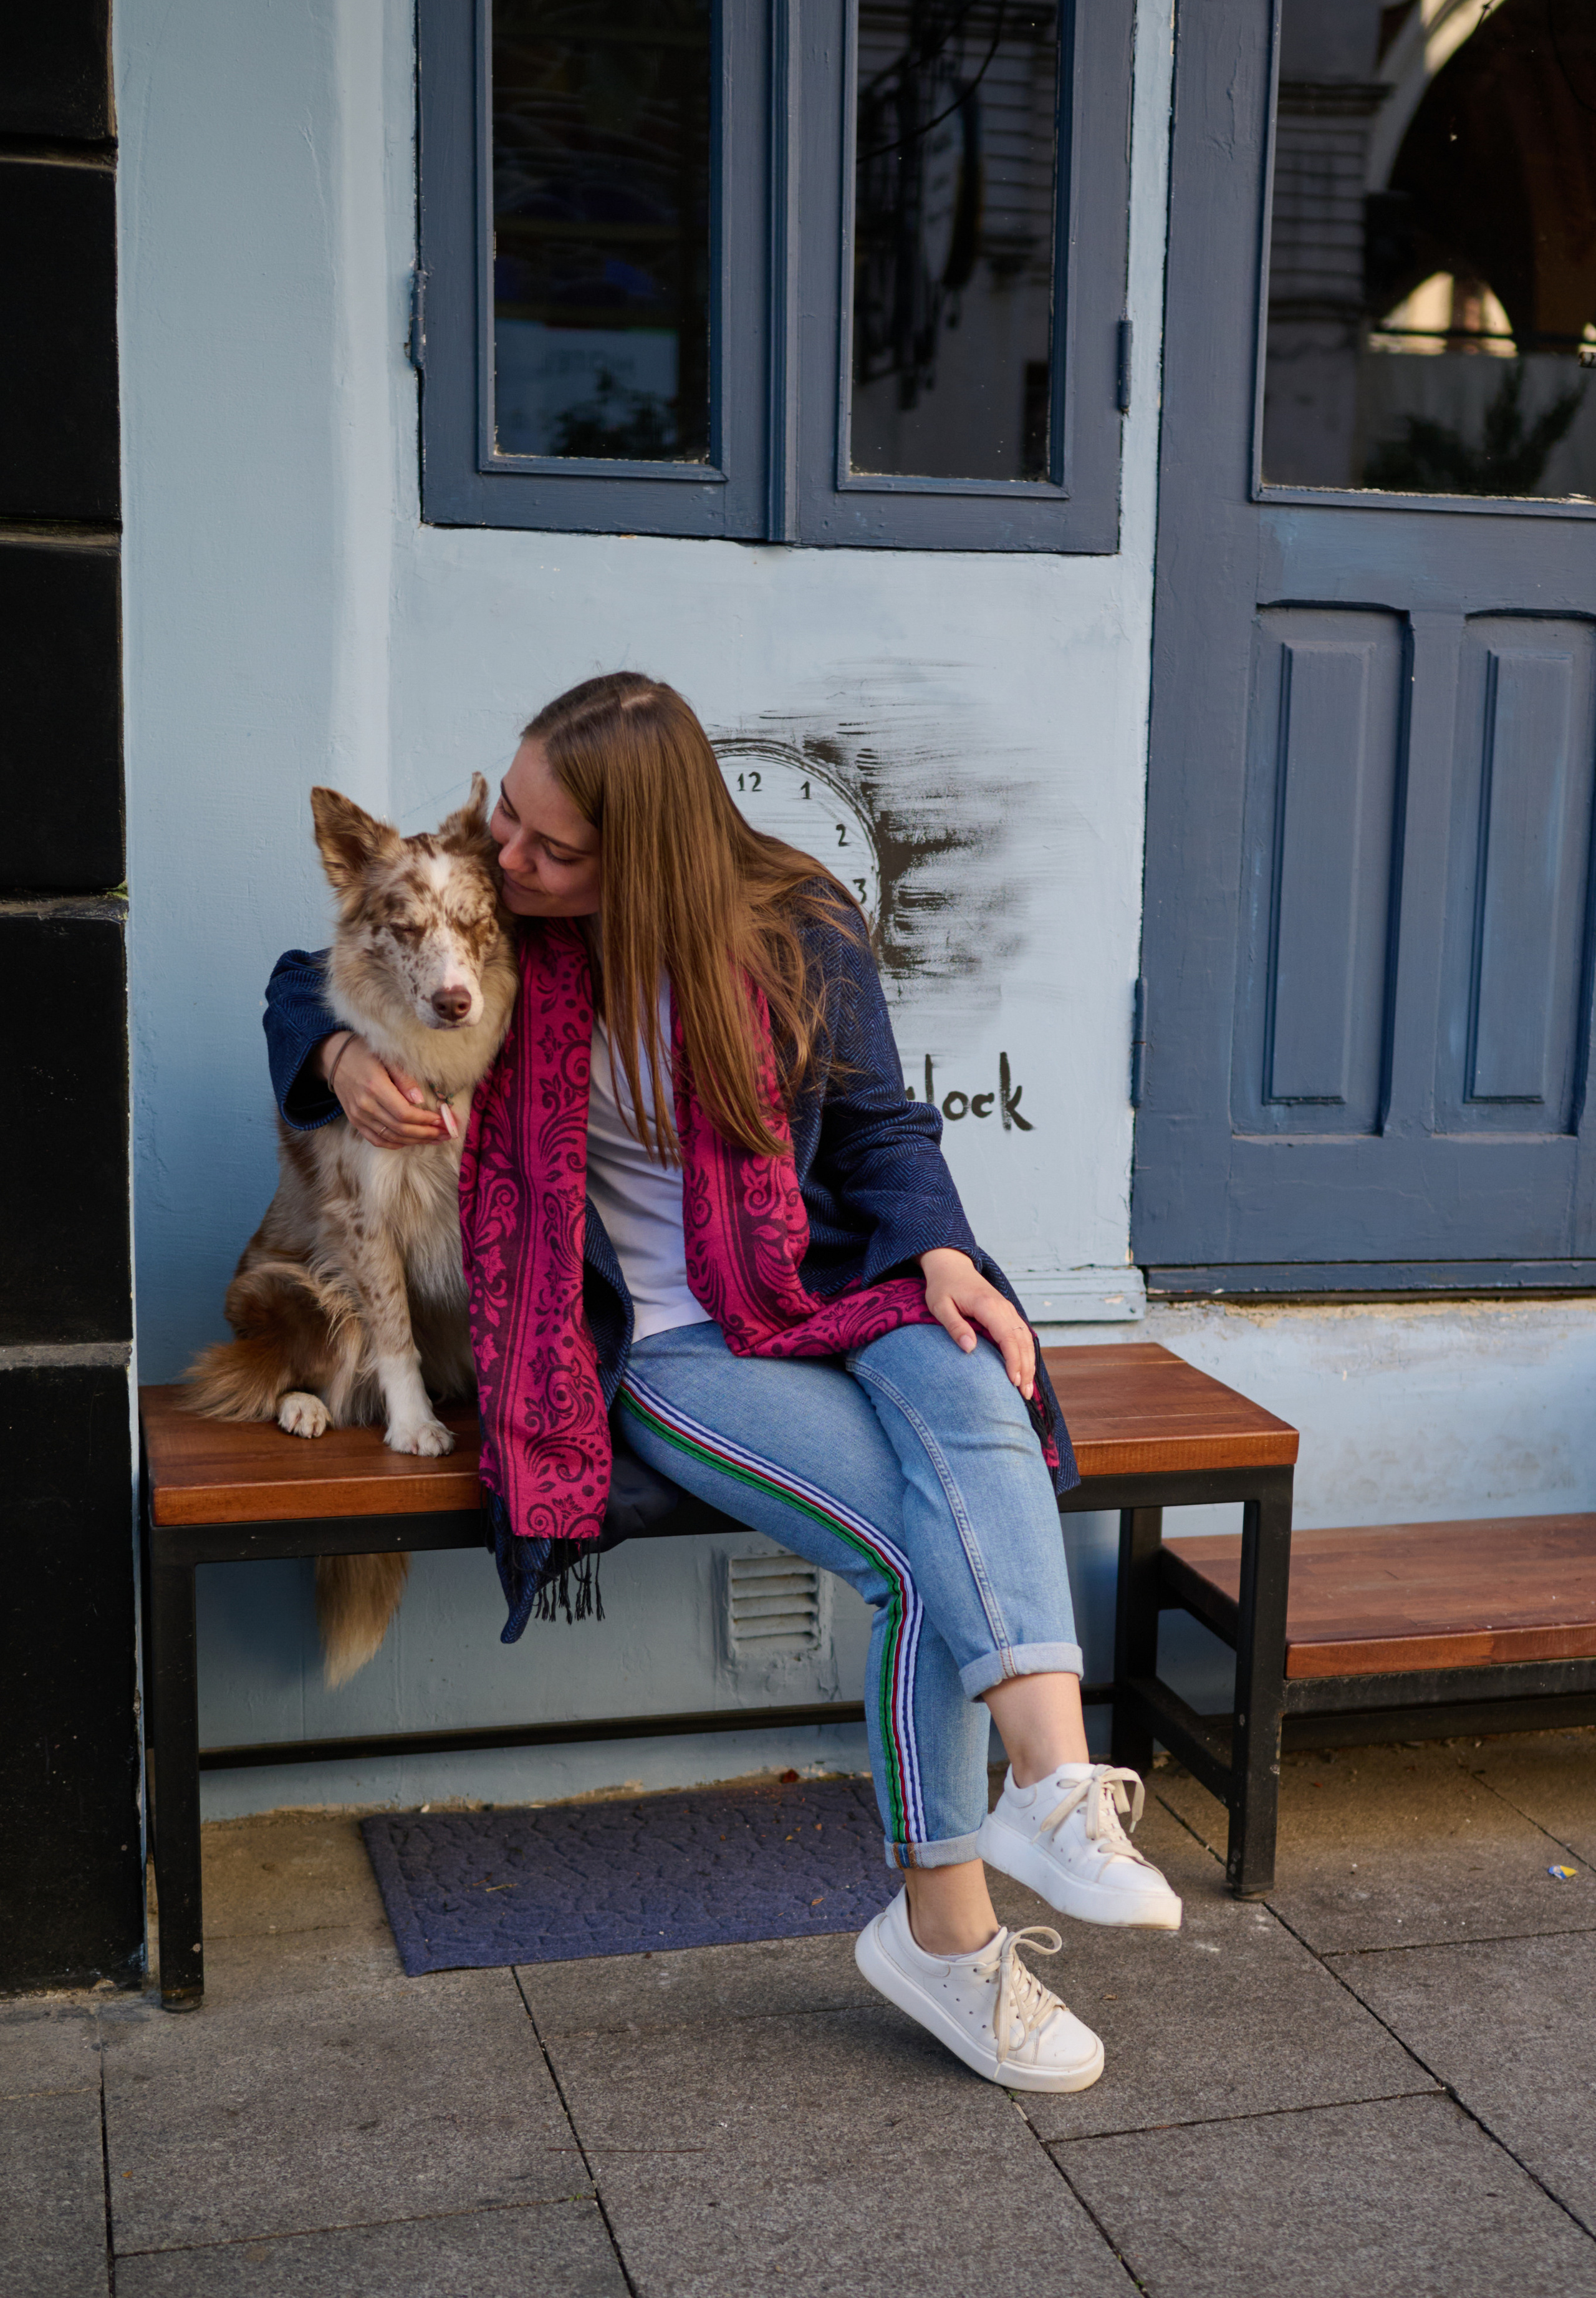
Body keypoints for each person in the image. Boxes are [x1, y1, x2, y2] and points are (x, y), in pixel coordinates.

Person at [263, 672, 1181, 2093]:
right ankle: (950, 1932)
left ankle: (1051, 1788)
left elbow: (876, 1124)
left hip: (809, 1288)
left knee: (971, 1369)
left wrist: (937, 1246)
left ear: (645, 851)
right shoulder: (506, 926)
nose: (509, 854)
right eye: (510, 813)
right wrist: (331, 1050)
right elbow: (304, 971)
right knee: (914, 1554)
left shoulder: (795, 926)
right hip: (668, 1346)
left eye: (551, 845)